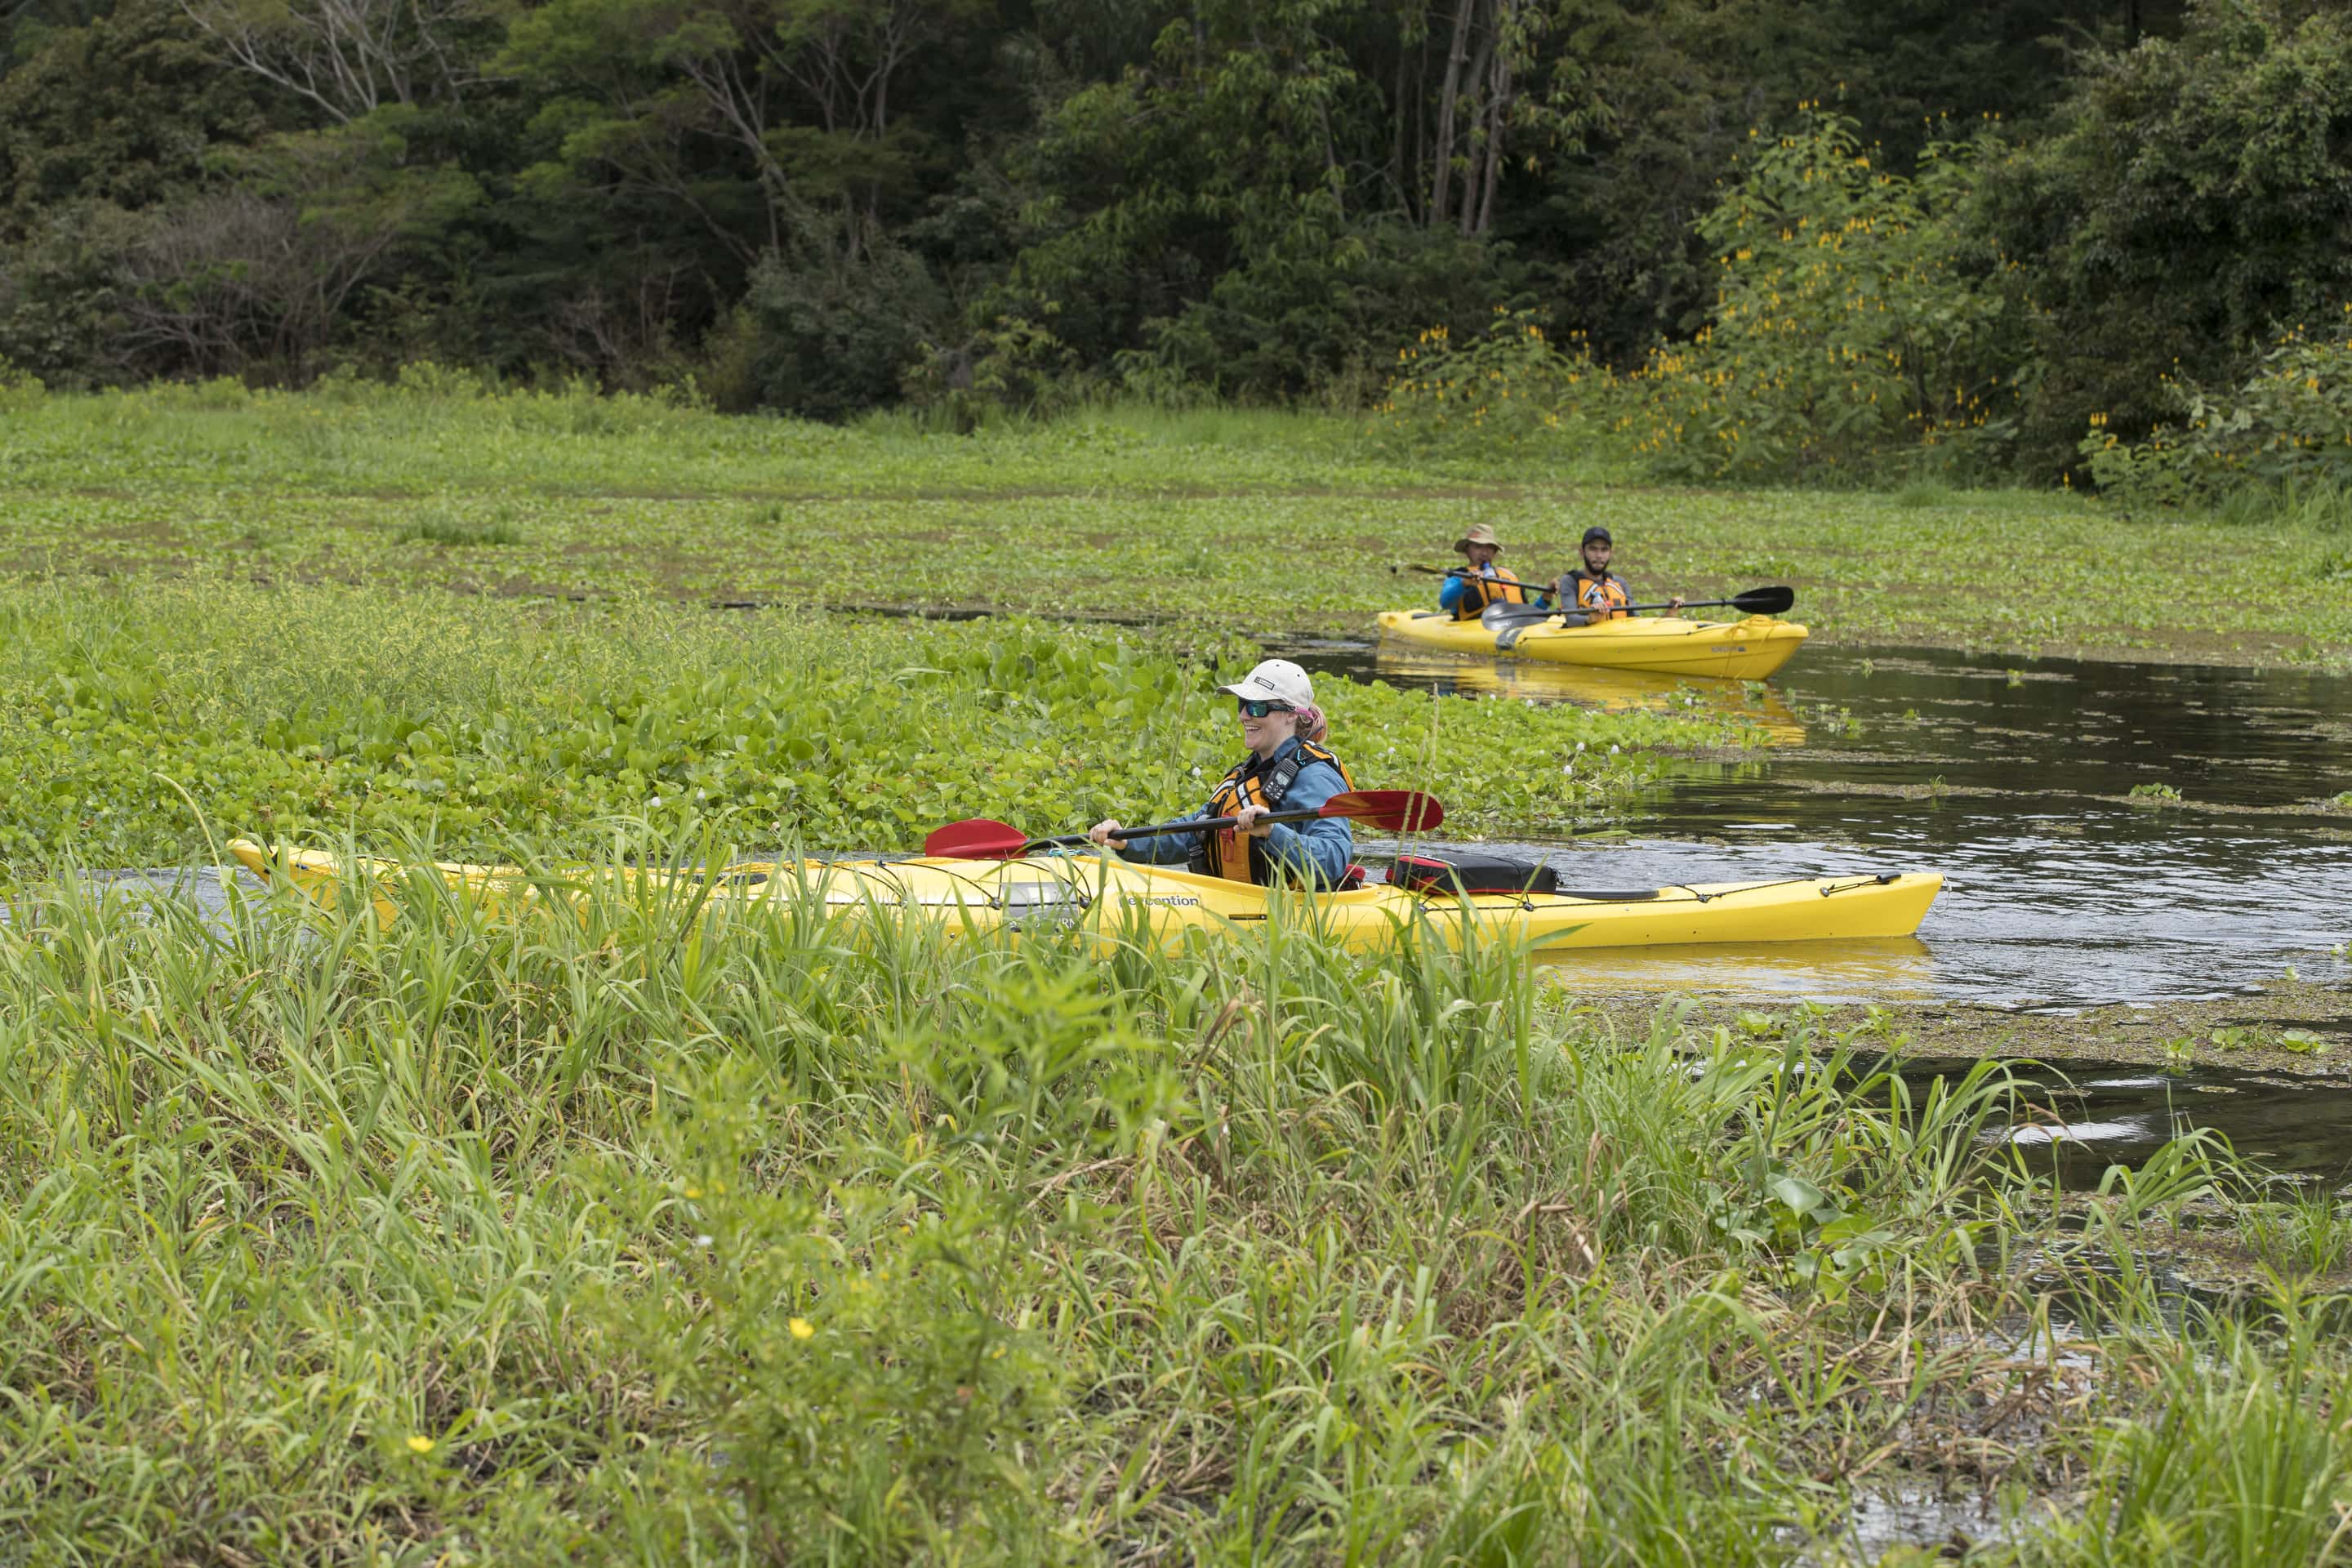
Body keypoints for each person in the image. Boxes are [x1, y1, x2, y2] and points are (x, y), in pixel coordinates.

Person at [1087, 658, 1355, 886]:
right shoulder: (1249, 772)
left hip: (1296, 910)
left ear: (1291, 715)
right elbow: (1197, 830)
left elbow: (1333, 857)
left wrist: (1272, 832)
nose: (1244, 716)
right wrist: (1127, 841)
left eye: (1257, 707)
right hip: (1238, 902)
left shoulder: (1315, 775)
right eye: (1242, 704)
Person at [1554, 525, 1679, 622]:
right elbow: (1571, 620)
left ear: (1610, 553)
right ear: (1582, 552)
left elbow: (1636, 620)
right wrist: (1591, 618)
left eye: (1604, 550)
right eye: (1593, 549)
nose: (1599, 555)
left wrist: (1669, 613)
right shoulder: (1570, 581)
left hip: (1619, 639)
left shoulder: (1620, 583)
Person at [1439, 523, 1545, 620]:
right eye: (1478, 547)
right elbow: (1446, 603)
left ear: (1494, 552)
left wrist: (1545, 599)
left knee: (1500, 605)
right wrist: (1464, 584)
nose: (1485, 553)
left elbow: (1529, 616)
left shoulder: (1508, 576)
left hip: (1511, 627)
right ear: (1467, 550)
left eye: (1490, 548)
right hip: (1476, 632)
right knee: (1498, 604)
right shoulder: (1459, 576)